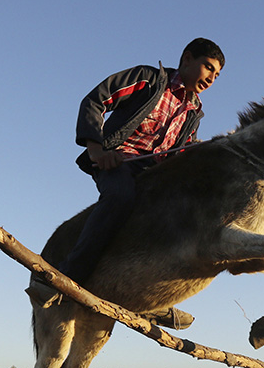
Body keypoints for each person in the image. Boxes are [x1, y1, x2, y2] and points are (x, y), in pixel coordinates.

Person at [28, 38, 225, 330]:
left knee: (183, 215)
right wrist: (97, 149)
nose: (211, 78)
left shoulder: (194, 113)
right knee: (120, 197)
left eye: (217, 75)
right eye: (208, 67)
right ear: (186, 58)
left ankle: (152, 299)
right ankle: (66, 278)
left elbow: (181, 152)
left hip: (156, 175)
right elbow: (96, 99)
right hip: (119, 161)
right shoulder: (148, 80)